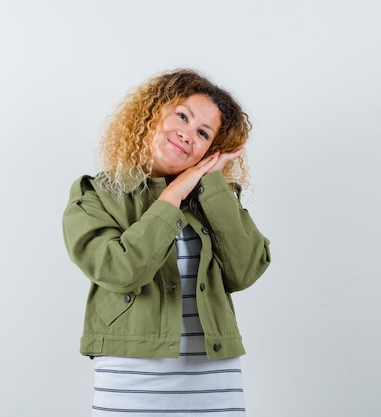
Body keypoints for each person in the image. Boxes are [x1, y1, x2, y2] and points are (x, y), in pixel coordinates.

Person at [62, 69, 271, 417]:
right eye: (182, 116)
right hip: (130, 383)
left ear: (212, 149)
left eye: (203, 133)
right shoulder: (96, 194)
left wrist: (212, 181)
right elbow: (120, 271)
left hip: (214, 385)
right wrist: (174, 192)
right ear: (154, 112)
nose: (187, 134)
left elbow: (246, 271)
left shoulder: (215, 199)